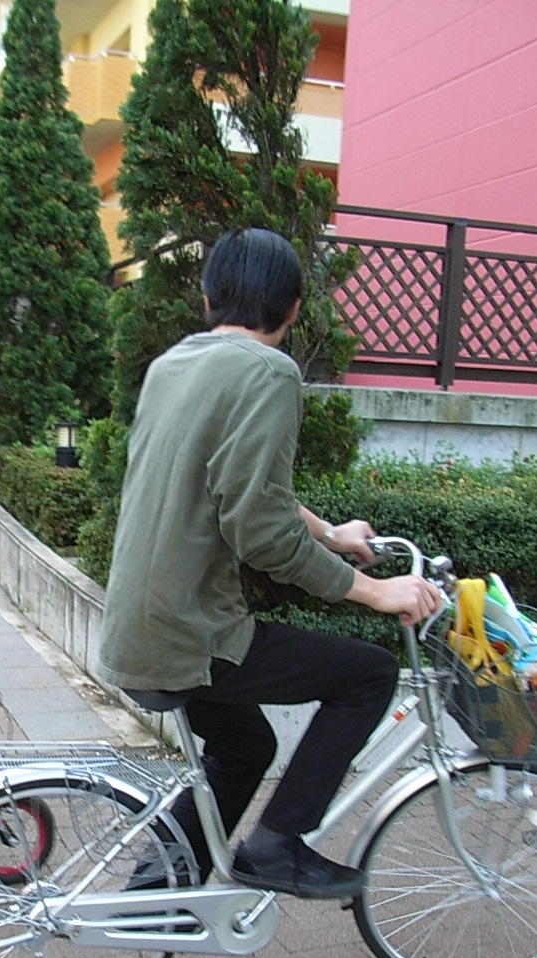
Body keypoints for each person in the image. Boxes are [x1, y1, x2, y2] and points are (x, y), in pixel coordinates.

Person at [98, 228, 441, 899]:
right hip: (192, 634)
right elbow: (260, 531)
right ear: (293, 308)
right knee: (370, 675)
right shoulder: (270, 373)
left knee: (246, 747)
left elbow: (244, 487)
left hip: (137, 626)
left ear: (207, 299)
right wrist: (375, 592)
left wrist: (333, 534)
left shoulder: (173, 365)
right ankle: (277, 846)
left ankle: (153, 894)